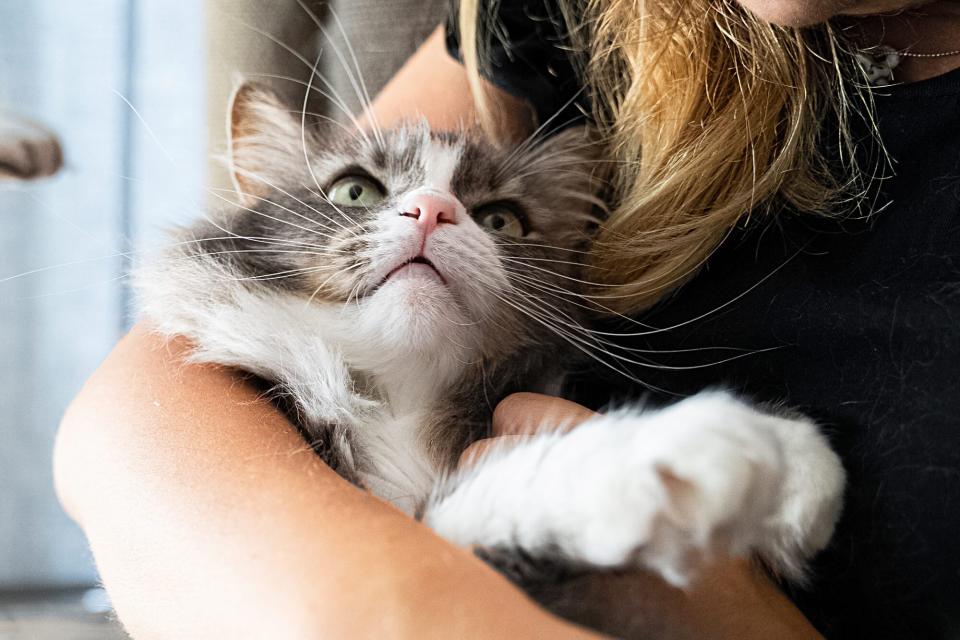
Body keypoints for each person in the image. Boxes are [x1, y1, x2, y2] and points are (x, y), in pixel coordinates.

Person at [54, 0, 960, 638]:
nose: (431, 212)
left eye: (499, 217)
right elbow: (128, 431)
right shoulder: (566, 18)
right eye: (362, 190)